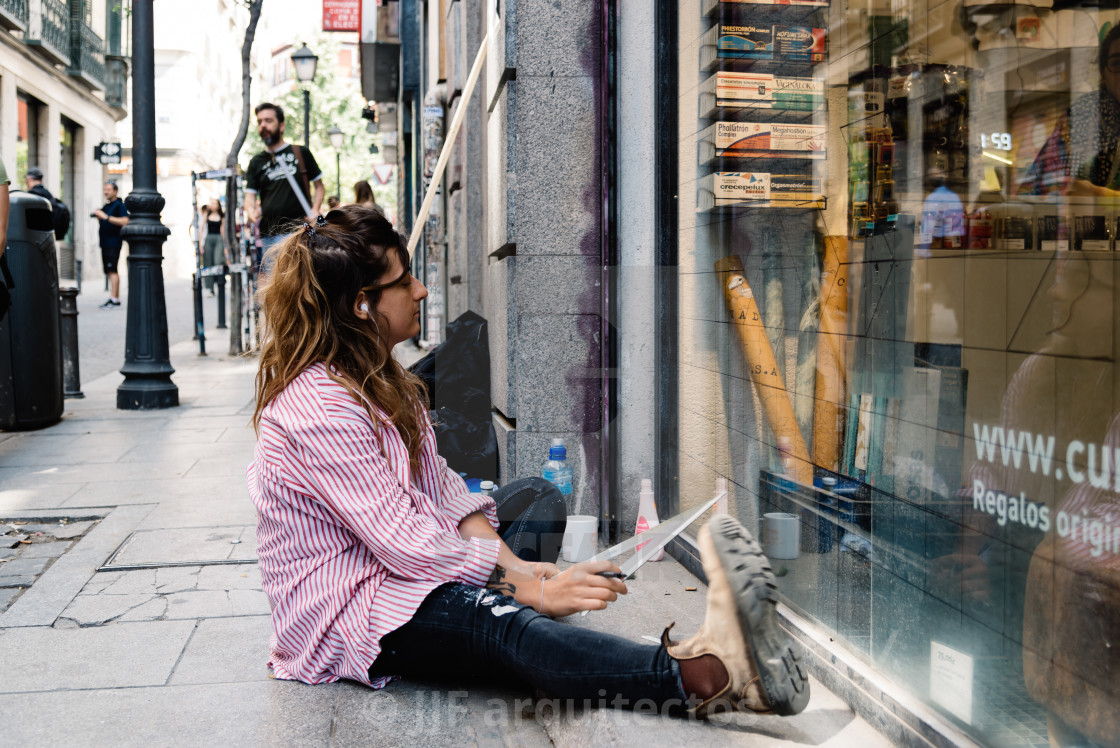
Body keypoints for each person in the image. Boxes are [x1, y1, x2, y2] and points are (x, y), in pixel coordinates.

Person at [247, 204, 811, 718]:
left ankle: (511, 598)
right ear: (361, 304)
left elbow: (444, 492)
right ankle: (712, 674)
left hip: (402, 561)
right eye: (403, 281)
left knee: (539, 499)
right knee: (503, 628)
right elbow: (405, 544)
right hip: (351, 606)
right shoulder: (318, 405)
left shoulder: (384, 379)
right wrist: (527, 589)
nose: (420, 291)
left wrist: (514, 569)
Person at [242, 102, 324, 273]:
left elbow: (319, 187)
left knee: (299, 283)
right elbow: (250, 197)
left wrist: (315, 209)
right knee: (276, 288)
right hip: (269, 236)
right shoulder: (256, 162)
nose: (263, 125)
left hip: (298, 232)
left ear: (281, 125)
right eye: (259, 122)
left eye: (268, 120)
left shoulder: (300, 153)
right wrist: (250, 210)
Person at [92, 181, 129, 309]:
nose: (106, 192)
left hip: (114, 242)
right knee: (109, 270)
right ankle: (113, 297)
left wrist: (106, 217)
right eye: (105, 189)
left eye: (108, 189)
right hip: (105, 242)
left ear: (115, 191)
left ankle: (115, 299)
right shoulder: (107, 206)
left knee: (112, 270)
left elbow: (125, 220)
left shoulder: (120, 205)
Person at [200, 199, 227, 296]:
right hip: (209, 238)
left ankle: (220, 283)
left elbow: (223, 231)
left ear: (218, 205)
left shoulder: (221, 216)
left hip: (218, 239)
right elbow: (202, 228)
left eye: (215, 203)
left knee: (218, 261)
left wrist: (225, 247)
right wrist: (200, 244)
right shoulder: (206, 214)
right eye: (212, 203)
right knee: (208, 262)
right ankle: (210, 288)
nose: (213, 205)